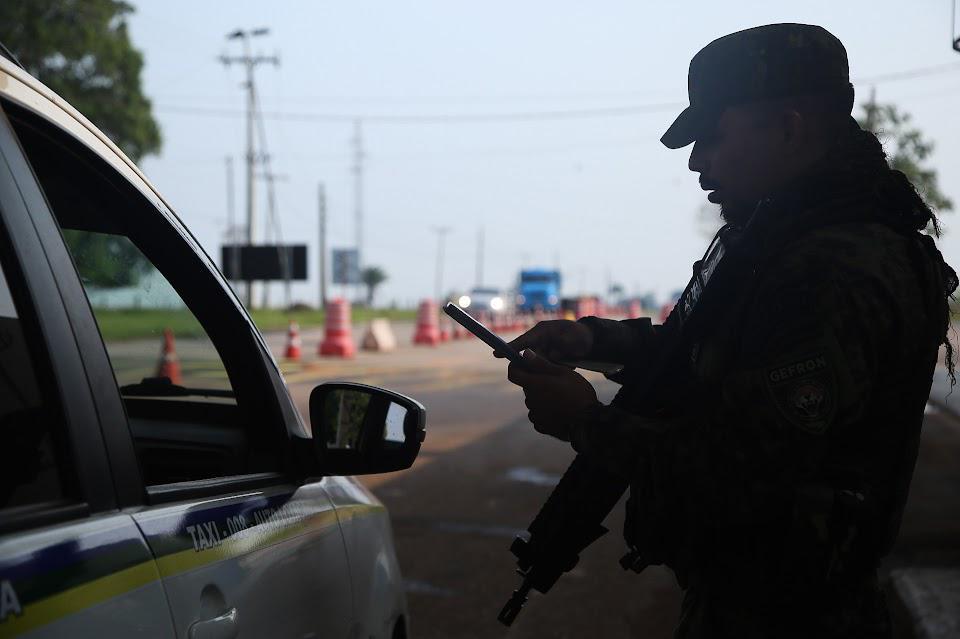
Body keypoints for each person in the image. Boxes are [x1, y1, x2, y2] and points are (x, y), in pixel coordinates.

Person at [502, 23, 957, 639]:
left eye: (712, 138)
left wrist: (589, 423)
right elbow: (706, 354)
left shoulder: (828, 269)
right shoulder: (790, 244)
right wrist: (593, 341)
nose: (696, 162)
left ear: (790, 130)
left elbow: (748, 475)